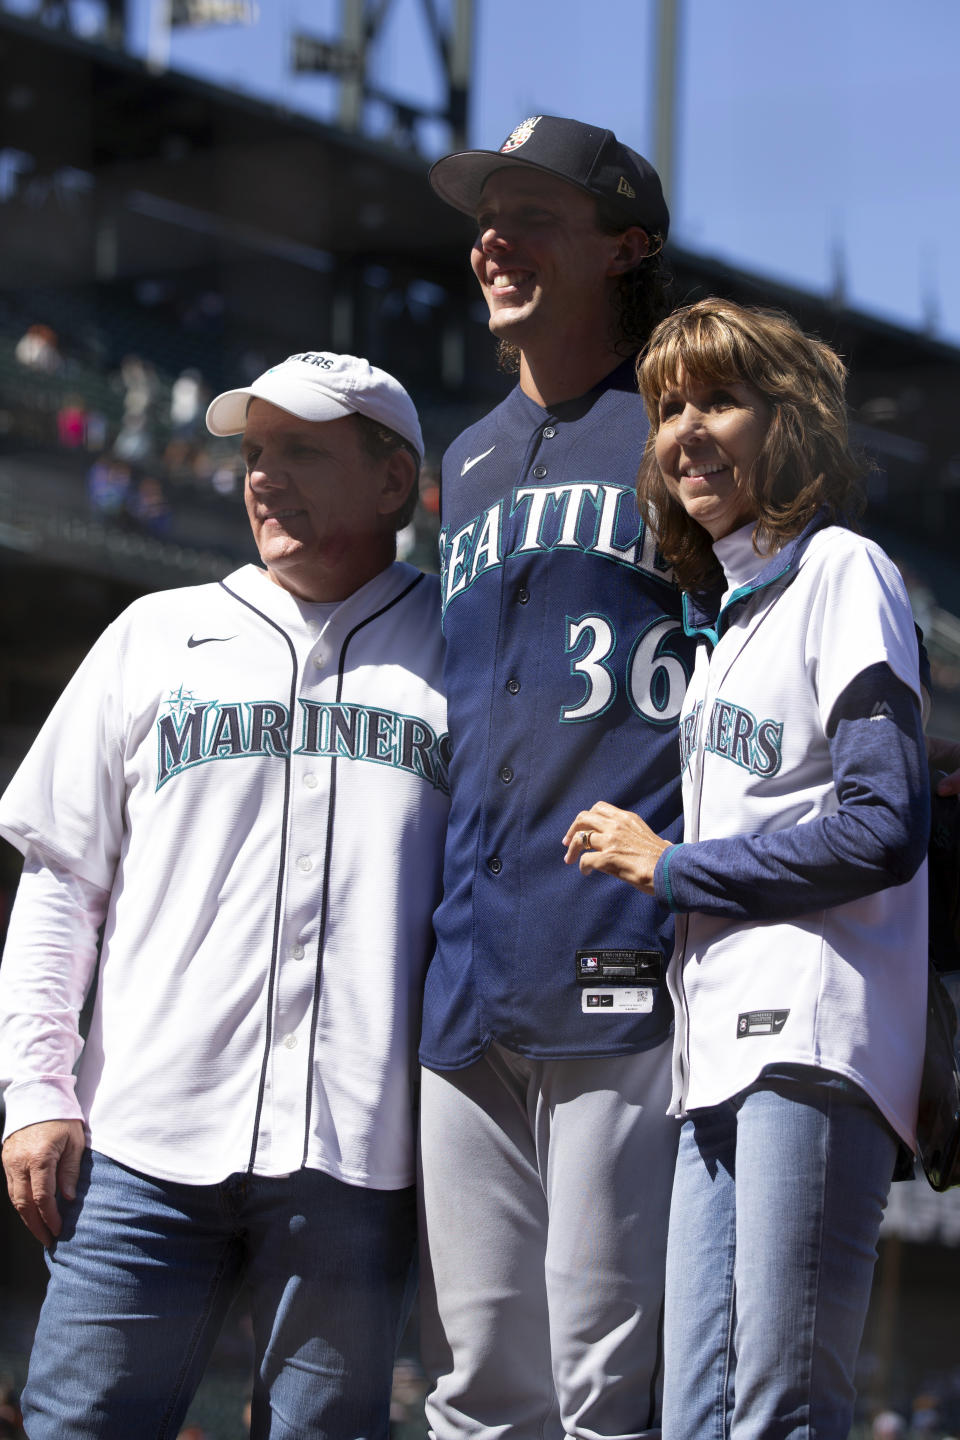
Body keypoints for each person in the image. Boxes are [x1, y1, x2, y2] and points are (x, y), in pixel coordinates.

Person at [0, 351, 449, 1439]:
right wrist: (36, 1092)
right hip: (144, 1141)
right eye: (253, 454)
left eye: (300, 451)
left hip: (361, 1153)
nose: (261, 477)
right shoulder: (153, 634)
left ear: (393, 484)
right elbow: (63, 884)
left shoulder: (458, 652)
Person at [563, 299, 929, 1439]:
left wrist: (673, 866)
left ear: (788, 421)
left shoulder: (841, 570)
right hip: (716, 1056)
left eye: (718, 400)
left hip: (812, 1040)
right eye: (669, 408)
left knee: (776, 1408)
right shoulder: (730, 622)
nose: (687, 430)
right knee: (700, 1417)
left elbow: (882, 823)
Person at [418, 113, 693, 1439]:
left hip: (625, 951)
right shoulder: (463, 461)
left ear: (624, 247)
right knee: (481, 1387)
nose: (493, 239)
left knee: (604, 1383)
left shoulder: (688, 433)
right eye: (487, 214)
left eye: (533, 215)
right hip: (468, 967)